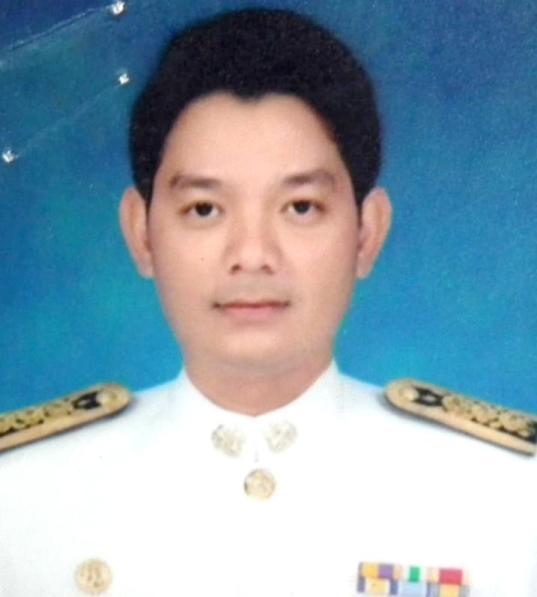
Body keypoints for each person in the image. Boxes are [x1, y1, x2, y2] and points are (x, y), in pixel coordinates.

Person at [1, 8, 535, 597]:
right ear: (141, 233)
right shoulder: (21, 496)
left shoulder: (507, 495)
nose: (252, 255)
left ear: (367, 232)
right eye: (204, 209)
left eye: (300, 207)